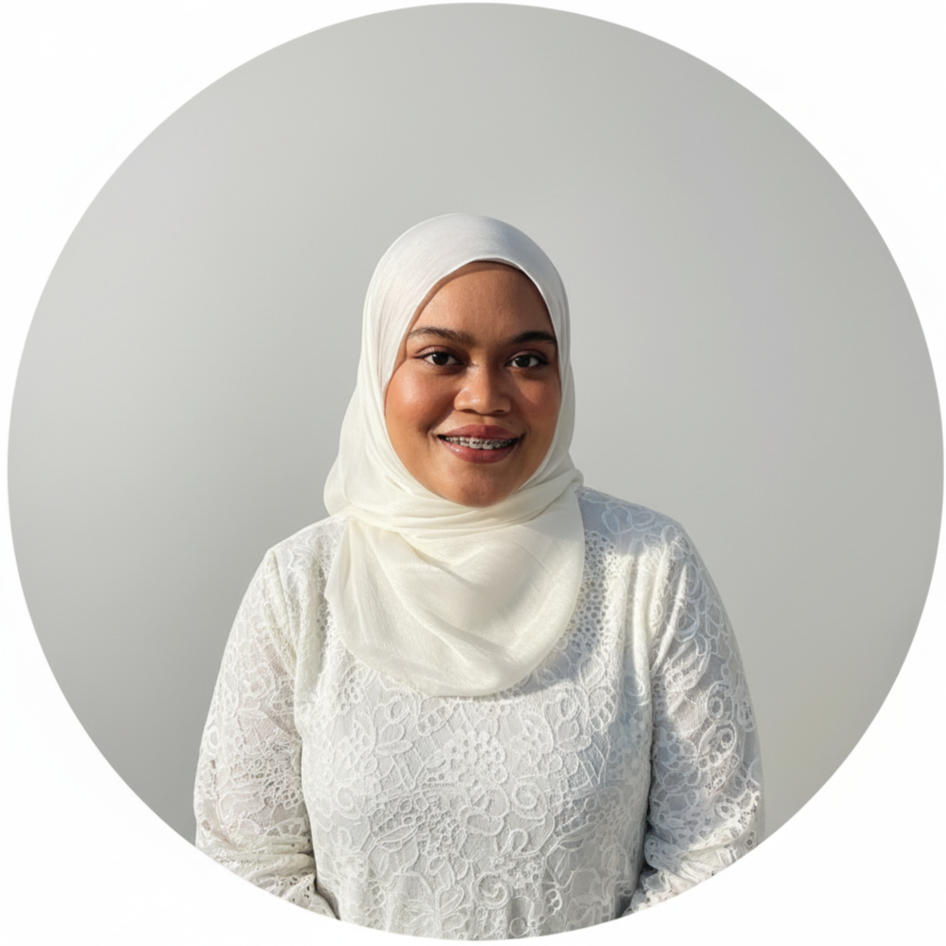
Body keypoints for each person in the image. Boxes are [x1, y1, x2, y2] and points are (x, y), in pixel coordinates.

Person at [194, 214, 763, 939]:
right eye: (441, 356)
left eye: (527, 360)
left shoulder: (648, 571)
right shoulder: (299, 587)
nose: (485, 396)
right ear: (379, 367)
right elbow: (247, 864)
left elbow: (714, 849)